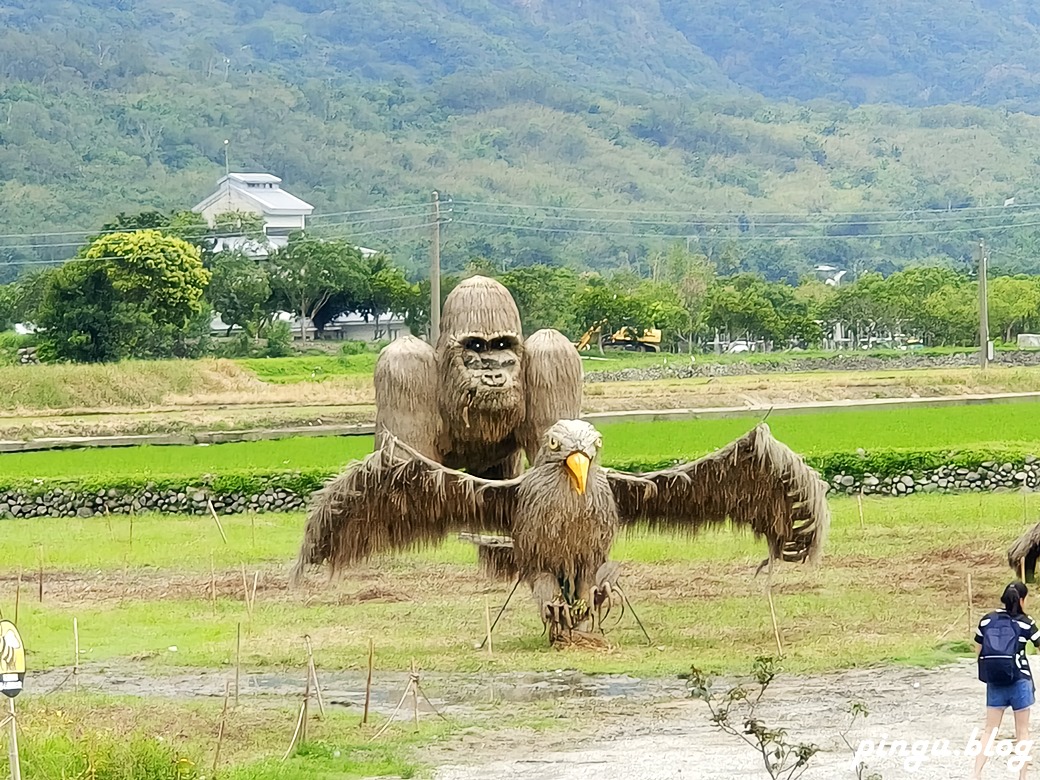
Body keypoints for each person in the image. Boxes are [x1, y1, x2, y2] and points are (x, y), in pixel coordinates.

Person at [973, 581, 1040, 779]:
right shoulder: (1026, 622)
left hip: (995, 682)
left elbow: (978, 650)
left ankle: (976, 774)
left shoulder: (987, 620)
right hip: (1020, 681)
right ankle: (1022, 777)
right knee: (1022, 732)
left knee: (989, 731)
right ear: (1021, 600)